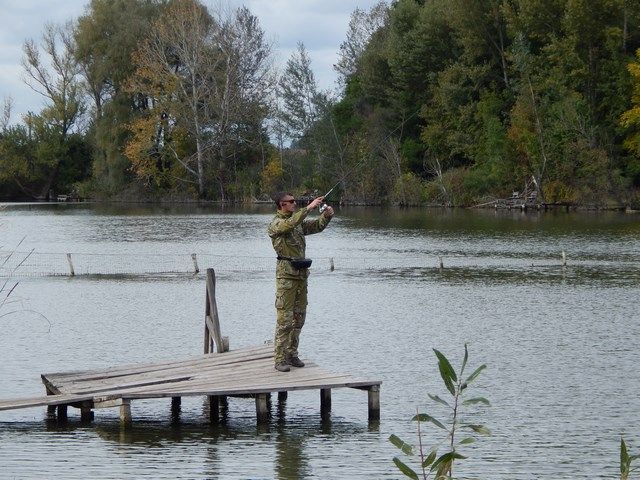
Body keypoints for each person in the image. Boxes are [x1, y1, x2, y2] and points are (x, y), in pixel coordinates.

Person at [268, 192, 334, 372]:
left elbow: (315, 227)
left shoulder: (296, 222)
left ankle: (292, 354)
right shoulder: (276, 223)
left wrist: (326, 216)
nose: (294, 203)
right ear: (282, 204)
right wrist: (309, 207)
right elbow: (289, 224)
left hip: (301, 276)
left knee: (299, 318)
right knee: (285, 321)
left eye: (294, 201)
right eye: (291, 202)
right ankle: (279, 359)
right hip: (286, 278)